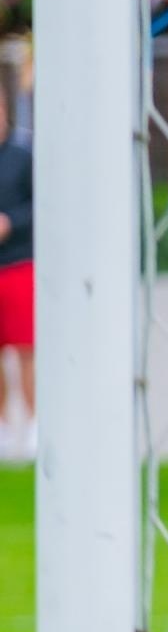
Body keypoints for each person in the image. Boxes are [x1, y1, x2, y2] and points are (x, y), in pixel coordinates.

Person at [0, 94, 34, 459]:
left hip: (20, 262)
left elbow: (41, 204)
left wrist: (11, 223)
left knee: (26, 350)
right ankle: (4, 430)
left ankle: (35, 425)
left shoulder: (24, 157)